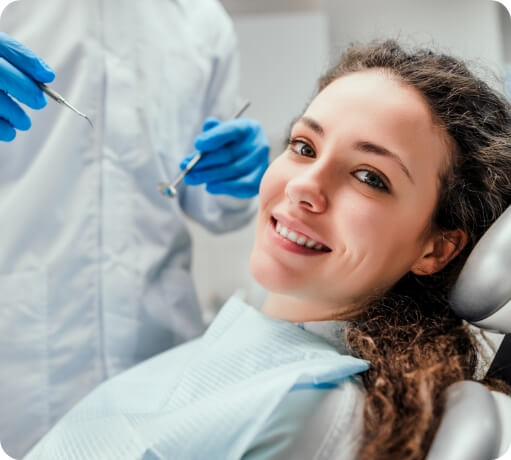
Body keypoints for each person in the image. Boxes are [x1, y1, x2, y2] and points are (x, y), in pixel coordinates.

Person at [18, 40, 511, 460]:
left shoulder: (301, 409)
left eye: (369, 177)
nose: (304, 187)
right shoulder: (255, 364)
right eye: (304, 147)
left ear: (437, 250)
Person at [0, 0, 269, 457]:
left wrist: (235, 176)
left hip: (162, 352)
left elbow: (211, 202)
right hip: (19, 366)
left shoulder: (203, 21)